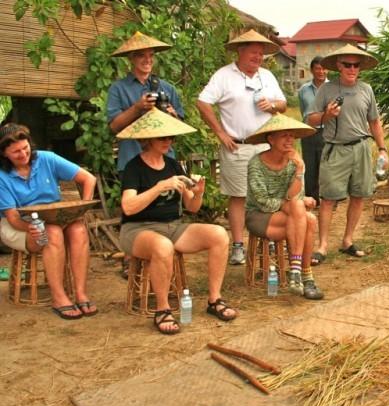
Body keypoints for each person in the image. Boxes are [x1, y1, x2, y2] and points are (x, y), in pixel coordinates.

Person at [117, 109, 238, 335]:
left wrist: (198, 193)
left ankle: (214, 299)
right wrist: (159, 187)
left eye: (171, 137)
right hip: (138, 230)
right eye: (162, 137)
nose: (168, 141)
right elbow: (128, 206)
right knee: (163, 246)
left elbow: (192, 207)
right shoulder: (134, 167)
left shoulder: (173, 165)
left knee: (219, 235)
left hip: (173, 226)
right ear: (148, 139)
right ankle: (162, 309)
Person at [197, 29, 287, 266]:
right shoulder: (224, 75)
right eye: (253, 53)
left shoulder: (267, 76)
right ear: (240, 51)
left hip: (266, 146)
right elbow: (202, 102)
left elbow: (284, 104)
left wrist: (273, 105)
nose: (257, 57)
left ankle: (268, 238)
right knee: (238, 196)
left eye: (261, 53)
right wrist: (220, 132)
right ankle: (238, 245)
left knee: (269, 195)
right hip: (237, 145)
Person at [0, 123, 98, 319]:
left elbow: (88, 179)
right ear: (4, 154)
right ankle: (59, 297)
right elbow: (12, 217)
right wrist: (31, 229)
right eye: (16, 152)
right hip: (17, 225)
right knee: (51, 233)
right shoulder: (2, 176)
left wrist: (82, 209)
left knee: (78, 229)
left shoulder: (46, 158)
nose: (23, 154)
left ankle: (80, 293)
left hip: (52, 217)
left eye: (25, 148)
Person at [306, 44, 389, 262]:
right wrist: (327, 115)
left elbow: (374, 121)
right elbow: (311, 119)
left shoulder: (366, 89)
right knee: (328, 199)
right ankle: (322, 246)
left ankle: (348, 240)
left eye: (356, 65)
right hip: (335, 148)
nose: (352, 69)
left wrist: (382, 149)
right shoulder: (327, 89)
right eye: (347, 65)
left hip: (361, 147)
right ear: (338, 67)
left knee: (359, 195)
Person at [244, 114, 323, 300]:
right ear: (271, 139)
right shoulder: (256, 163)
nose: (290, 140)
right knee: (307, 219)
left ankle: (298, 272)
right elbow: (262, 201)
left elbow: (295, 196)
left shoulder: (293, 162)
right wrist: (294, 204)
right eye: (284, 135)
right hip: (259, 216)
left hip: (287, 215)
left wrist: (299, 170)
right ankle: (305, 275)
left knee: (307, 218)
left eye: (292, 136)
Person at [107, 31, 185, 172]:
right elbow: (114, 127)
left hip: (164, 160)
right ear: (131, 58)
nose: (147, 59)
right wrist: (137, 108)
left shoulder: (168, 88)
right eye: (141, 55)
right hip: (131, 160)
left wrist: (173, 116)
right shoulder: (117, 88)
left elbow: (179, 130)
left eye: (151, 55)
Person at [298, 56, 328, 207]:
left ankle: (328, 199)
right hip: (308, 132)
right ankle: (312, 200)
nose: (321, 71)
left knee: (326, 167)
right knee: (309, 167)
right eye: (318, 68)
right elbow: (304, 111)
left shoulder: (333, 88)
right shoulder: (304, 90)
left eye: (323, 68)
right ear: (312, 70)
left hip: (328, 133)